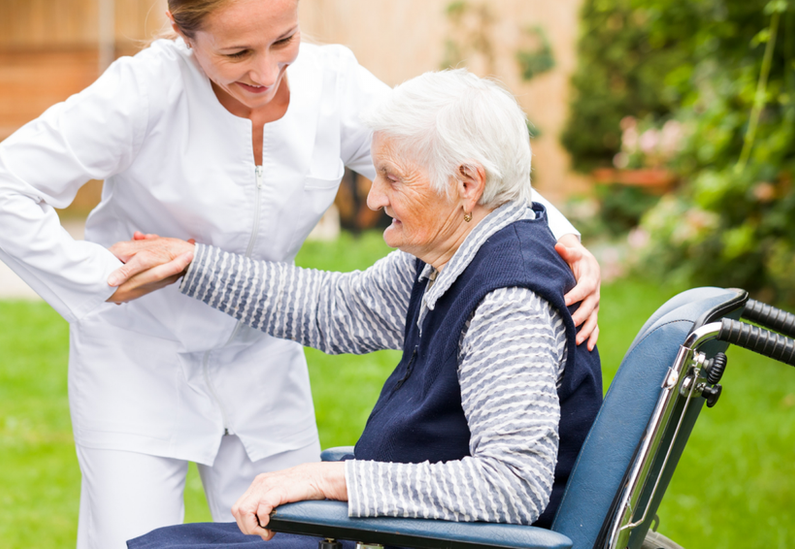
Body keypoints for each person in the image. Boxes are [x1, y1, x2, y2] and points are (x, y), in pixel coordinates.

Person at [0, 0, 601, 547]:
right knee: (135, 539)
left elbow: (452, 154)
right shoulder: (144, 91)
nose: (265, 73)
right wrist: (103, 276)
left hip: (262, 361)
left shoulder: (334, 87)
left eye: (284, 40)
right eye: (237, 55)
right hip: (139, 357)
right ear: (184, 36)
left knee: (288, 532)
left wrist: (559, 239)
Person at [107, 68, 603, 549]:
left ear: (468, 184)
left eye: (392, 178)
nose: (373, 197)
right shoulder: (450, 255)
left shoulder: (507, 305)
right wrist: (193, 263)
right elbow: (335, 309)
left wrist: (333, 481)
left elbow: (512, 484)